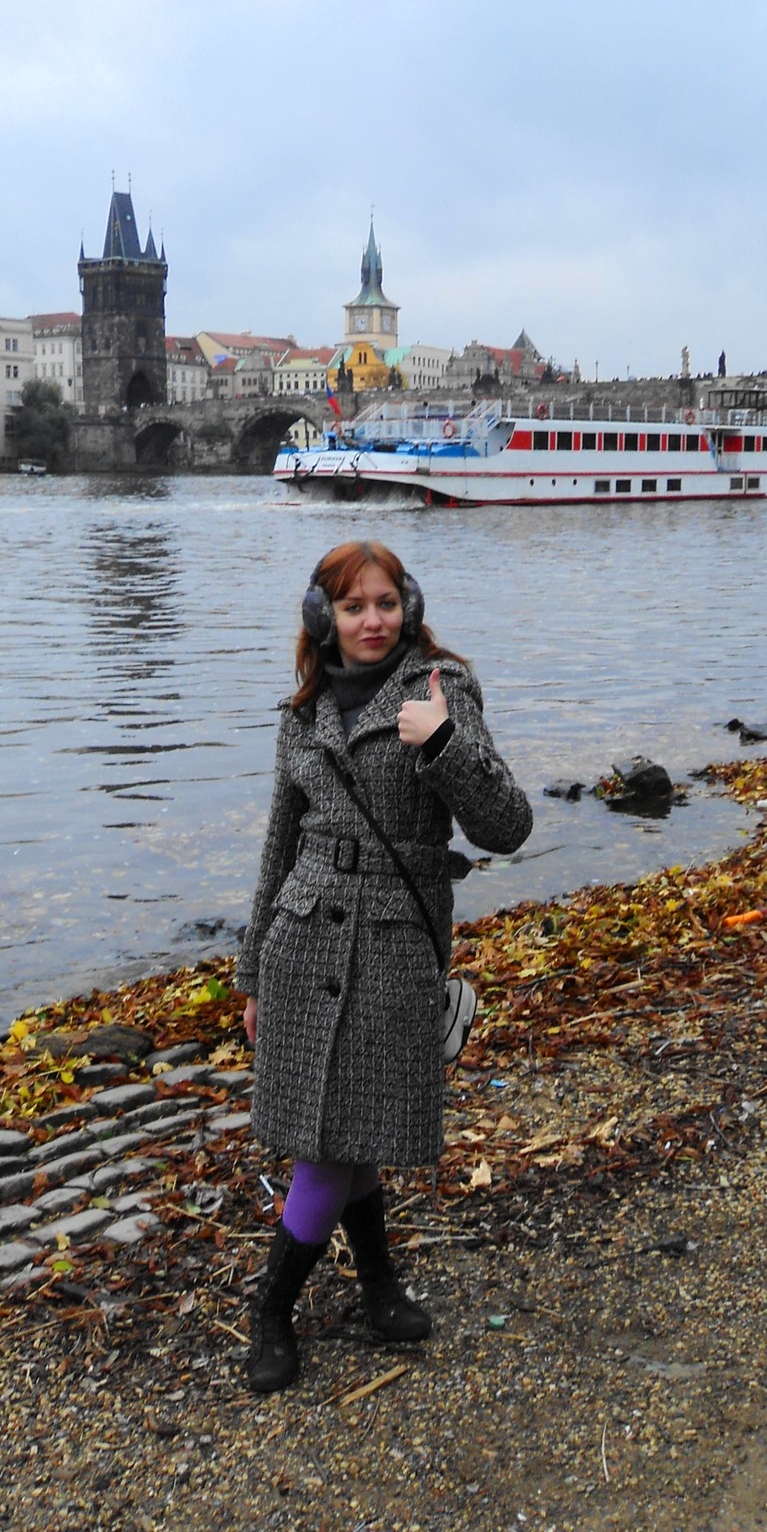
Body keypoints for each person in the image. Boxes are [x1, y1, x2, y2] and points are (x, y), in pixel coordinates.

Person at [236, 540, 533, 1393]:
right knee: (333, 1139)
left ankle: (275, 1307)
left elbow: (507, 826)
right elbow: (278, 847)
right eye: (353, 606)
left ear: (410, 606)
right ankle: (369, 1292)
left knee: (338, 1136)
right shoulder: (302, 711)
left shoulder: (442, 689)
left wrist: (443, 744)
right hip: (302, 943)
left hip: (395, 945)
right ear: (322, 615)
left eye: (386, 603)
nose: (373, 621)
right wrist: (252, 974)